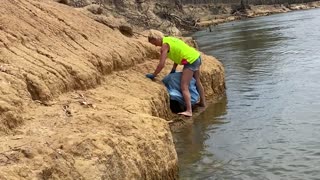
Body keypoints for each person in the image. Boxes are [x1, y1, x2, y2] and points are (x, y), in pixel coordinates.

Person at [146, 30, 206, 117]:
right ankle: (203, 102)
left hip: (190, 61)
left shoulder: (164, 46)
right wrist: (174, 68)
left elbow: (161, 64)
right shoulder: (170, 39)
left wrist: (154, 75)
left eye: (154, 42)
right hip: (196, 57)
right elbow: (178, 54)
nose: (155, 45)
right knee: (197, 81)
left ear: (156, 38)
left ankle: (189, 110)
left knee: (184, 86)